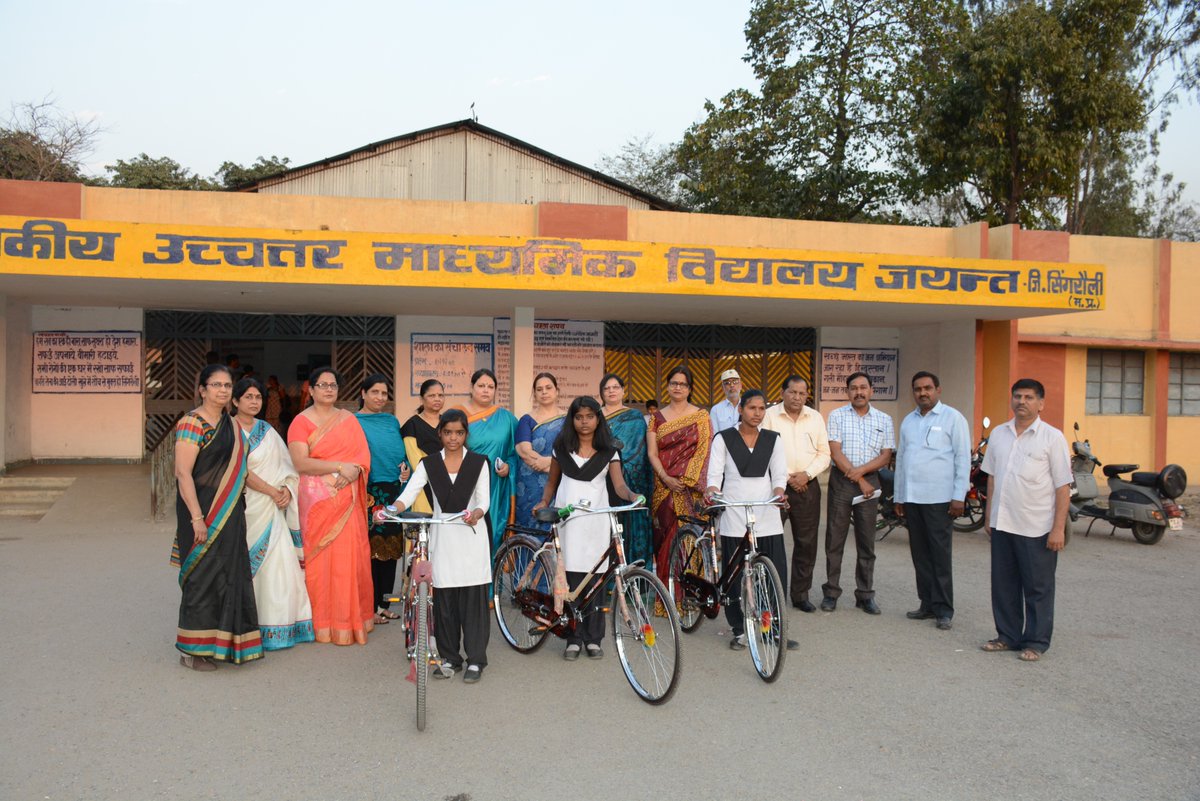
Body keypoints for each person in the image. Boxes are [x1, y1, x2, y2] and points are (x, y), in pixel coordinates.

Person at [534, 396, 641, 660]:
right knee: (570, 578)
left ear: (598, 419)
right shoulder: (561, 448)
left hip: (596, 521)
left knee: (595, 580)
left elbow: (619, 486)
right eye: (579, 417)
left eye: (589, 417)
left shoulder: (609, 450)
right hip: (568, 519)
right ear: (572, 420)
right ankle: (573, 638)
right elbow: (552, 482)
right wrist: (544, 502)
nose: (584, 422)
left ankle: (594, 639)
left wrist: (632, 496)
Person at [172, 364, 262, 670]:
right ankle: (193, 651)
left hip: (231, 511)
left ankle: (226, 645)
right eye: (216, 385)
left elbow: (241, 471)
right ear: (202, 389)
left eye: (227, 385)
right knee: (201, 577)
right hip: (201, 511)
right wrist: (197, 518)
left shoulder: (233, 426)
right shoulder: (192, 422)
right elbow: (183, 473)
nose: (223, 390)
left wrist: (274, 491)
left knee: (229, 574)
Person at [392, 409, 491, 683]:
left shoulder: (479, 462)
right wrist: (391, 509)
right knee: (445, 602)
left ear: (466, 434)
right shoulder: (429, 463)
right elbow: (409, 493)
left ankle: (476, 660)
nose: (453, 438)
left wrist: (476, 513)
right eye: (448, 432)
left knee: (473, 602)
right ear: (440, 434)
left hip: (472, 536)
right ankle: (450, 658)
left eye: (459, 433)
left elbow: (484, 500)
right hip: (443, 537)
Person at [980, 378, 1071, 662]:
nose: (1022, 402)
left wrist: (1058, 529)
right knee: (1004, 585)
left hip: (1036, 527)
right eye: (1018, 396)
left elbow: (1063, 486)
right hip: (1003, 523)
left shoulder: (1052, 438)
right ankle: (1007, 636)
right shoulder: (999, 434)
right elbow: (992, 478)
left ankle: (1036, 641)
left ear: (1041, 403)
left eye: (1029, 397)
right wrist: (989, 517)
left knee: (1037, 588)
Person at [286, 366, 374, 645]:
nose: (328, 389)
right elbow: (300, 462)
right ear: (311, 390)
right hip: (317, 501)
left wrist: (352, 471)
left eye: (333, 385)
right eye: (322, 385)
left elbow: (362, 458)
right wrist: (338, 468)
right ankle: (320, 622)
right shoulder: (300, 422)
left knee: (349, 559)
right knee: (319, 562)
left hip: (347, 498)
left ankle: (349, 620)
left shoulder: (348, 419)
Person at [705, 390, 798, 651]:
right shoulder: (723, 438)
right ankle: (739, 630)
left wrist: (779, 493)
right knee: (734, 576)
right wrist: (712, 492)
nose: (757, 413)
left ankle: (774, 629)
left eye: (761, 408)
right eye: (751, 408)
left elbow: (778, 475)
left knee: (774, 573)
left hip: (766, 512)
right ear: (741, 410)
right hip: (734, 511)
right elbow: (714, 475)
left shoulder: (772, 439)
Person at [231, 378, 314, 651]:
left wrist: (287, 490)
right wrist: (271, 491)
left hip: (273, 509)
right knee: (246, 567)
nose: (254, 401)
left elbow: (287, 465)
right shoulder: (228, 430)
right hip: (244, 507)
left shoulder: (267, 431)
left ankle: (279, 626)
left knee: (279, 568)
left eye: (258, 397)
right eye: (248, 397)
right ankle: (247, 628)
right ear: (235, 401)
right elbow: (238, 470)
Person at [894, 371, 971, 631]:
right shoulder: (908, 421)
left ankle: (943, 609)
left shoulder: (953, 418)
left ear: (938, 390)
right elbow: (901, 460)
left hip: (940, 499)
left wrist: (959, 496)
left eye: (927, 388)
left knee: (939, 555)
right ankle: (926, 603)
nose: (922, 393)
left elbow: (963, 458)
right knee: (920, 554)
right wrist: (900, 496)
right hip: (913, 498)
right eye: (918, 389)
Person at [823, 371, 895, 614]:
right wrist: (859, 479)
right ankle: (831, 592)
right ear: (847, 392)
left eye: (863, 387)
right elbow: (835, 452)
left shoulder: (884, 419)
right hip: (841, 482)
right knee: (835, 539)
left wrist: (862, 476)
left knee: (867, 541)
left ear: (871, 390)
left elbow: (885, 456)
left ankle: (865, 595)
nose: (859, 392)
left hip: (870, 483)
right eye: (853, 388)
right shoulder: (837, 416)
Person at [760, 375, 831, 613]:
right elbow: (763, 450)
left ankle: (800, 595)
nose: (797, 397)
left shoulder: (815, 417)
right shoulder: (769, 416)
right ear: (782, 393)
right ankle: (770, 593)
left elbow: (824, 454)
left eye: (802, 393)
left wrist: (806, 475)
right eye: (792, 392)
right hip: (775, 487)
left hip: (807, 487)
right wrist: (788, 476)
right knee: (770, 540)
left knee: (806, 542)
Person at [646, 365, 712, 586]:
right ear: (667, 386)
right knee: (665, 539)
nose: (678, 387)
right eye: (674, 383)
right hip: (663, 487)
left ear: (690, 389)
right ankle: (666, 594)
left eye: (683, 384)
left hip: (690, 490)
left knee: (692, 540)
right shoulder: (656, 417)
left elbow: (704, 451)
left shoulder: (701, 416)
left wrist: (686, 480)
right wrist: (666, 478)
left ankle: (692, 592)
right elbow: (652, 453)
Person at [355, 374, 412, 626]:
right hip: (367, 491)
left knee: (390, 549)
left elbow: (399, 452)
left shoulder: (391, 421)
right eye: (374, 392)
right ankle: (369, 606)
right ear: (363, 393)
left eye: (384, 393)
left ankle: (385, 604)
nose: (380, 397)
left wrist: (406, 468)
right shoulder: (353, 422)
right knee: (370, 551)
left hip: (392, 491)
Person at [456, 368, 517, 555]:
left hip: (495, 485)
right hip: (466, 484)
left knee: (492, 532)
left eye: (490, 387)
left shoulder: (506, 418)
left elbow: (516, 452)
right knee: (465, 531)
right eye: (481, 385)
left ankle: (489, 573)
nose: (486, 390)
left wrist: (509, 466)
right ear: (471, 387)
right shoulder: (457, 415)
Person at [600, 373, 654, 567]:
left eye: (615, 387)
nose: (611, 391)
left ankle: (634, 574)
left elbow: (638, 451)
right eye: (607, 388)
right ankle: (606, 576)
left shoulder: (635, 417)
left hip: (629, 479)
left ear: (623, 391)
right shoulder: (595, 416)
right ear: (601, 393)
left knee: (628, 528)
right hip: (599, 479)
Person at [514, 372, 565, 530]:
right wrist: (546, 464)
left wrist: (548, 462)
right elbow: (524, 451)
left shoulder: (568, 419)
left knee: (560, 528)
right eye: (539, 389)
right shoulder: (526, 420)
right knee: (529, 530)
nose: (544, 392)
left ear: (557, 391)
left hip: (561, 481)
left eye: (548, 388)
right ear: (534, 394)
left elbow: (573, 452)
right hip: (530, 484)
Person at [401, 378, 445, 515]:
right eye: (432, 395)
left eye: (440, 395)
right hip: (422, 485)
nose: (437, 399)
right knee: (424, 523)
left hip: (449, 484)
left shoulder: (448, 423)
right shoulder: (412, 425)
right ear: (421, 399)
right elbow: (415, 461)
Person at [709, 369, 742, 433]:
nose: (732, 385)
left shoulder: (747, 407)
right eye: (727, 383)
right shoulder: (716, 410)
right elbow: (714, 435)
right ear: (722, 387)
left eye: (735, 382)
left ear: (741, 385)